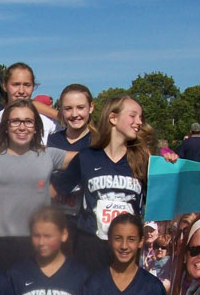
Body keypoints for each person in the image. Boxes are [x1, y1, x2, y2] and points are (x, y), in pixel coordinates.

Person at [52, 96, 165, 273]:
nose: (139, 122)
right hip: (90, 249)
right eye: (133, 116)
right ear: (113, 118)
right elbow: (55, 191)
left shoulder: (143, 161)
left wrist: (168, 163)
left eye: (141, 118)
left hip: (126, 250)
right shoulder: (86, 157)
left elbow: (163, 198)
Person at [0, 99, 69, 271]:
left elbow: (85, 160)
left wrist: (59, 188)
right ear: (6, 126)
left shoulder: (48, 155)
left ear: (36, 127)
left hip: (37, 242)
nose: (22, 127)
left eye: (28, 121)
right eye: (15, 121)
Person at [47, 84, 97, 250]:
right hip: (53, 223)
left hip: (85, 228)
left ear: (91, 107)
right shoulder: (51, 141)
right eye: (68, 109)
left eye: (80, 107)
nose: (75, 114)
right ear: (60, 111)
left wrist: (166, 152)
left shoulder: (99, 142)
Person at [0, 63, 58, 153]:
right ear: (5, 86)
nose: (21, 91)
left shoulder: (50, 124)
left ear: (33, 87)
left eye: (27, 85)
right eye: (16, 85)